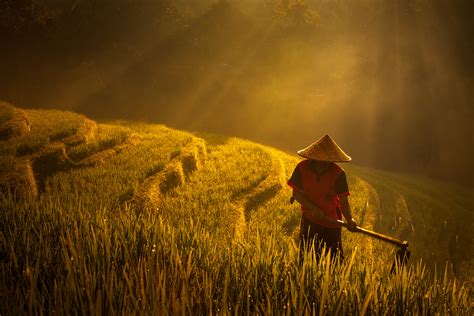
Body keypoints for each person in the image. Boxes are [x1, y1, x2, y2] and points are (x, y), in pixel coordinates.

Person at [287, 134, 357, 262]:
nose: (325, 164)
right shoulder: (302, 168)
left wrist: (350, 219)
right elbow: (296, 194)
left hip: (332, 223)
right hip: (310, 219)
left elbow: (343, 201)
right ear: (313, 158)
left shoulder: (338, 174)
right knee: (307, 258)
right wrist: (313, 208)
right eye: (322, 161)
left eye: (328, 161)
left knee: (334, 262)